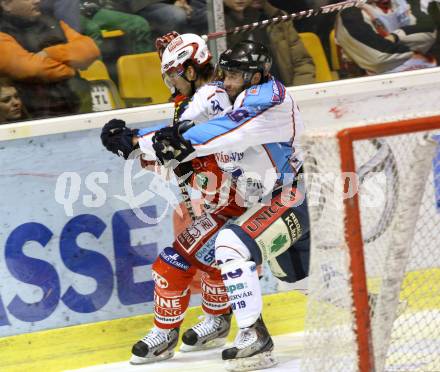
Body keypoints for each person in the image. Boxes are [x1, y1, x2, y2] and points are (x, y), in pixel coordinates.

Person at [102, 40, 311, 371]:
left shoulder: (269, 101)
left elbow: (223, 132)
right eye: (225, 73)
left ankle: (255, 337)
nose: (224, 81)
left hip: (286, 198)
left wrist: (177, 144)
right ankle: (218, 327)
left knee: (247, 253)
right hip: (248, 204)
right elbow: (187, 127)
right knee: (293, 277)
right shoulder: (226, 93)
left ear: (256, 77)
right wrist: (134, 141)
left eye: (234, 76)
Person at [101, 32, 237, 364]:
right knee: (210, 259)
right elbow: (177, 152)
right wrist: (135, 150)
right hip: (224, 203)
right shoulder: (194, 99)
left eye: (175, 74)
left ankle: (165, 334)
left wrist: (133, 141)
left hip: (240, 203)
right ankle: (218, 321)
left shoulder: (212, 96)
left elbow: (176, 139)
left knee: (172, 263)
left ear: (191, 71)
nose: (171, 84)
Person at [0, 0, 100, 118]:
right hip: (34, 114)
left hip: (77, 104)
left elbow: (90, 49)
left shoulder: (51, 21)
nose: (37, 1)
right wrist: (70, 68)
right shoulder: (2, 32)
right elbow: (31, 69)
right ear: (6, 5)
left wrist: (50, 53)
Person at [224, 0, 316, 86]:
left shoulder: (277, 19)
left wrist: (296, 94)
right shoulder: (216, 28)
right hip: (245, 98)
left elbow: (302, 64)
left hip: (285, 94)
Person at [335, 0, 437, 75]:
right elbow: (378, 57)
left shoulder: (406, 4)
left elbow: (430, 31)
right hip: (375, 82)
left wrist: (395, 37)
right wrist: (415, 53)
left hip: (425, 73)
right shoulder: (350, 13)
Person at [79, 0, 155, 53]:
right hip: (73, 11)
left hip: (94, 9)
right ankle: (95, 72)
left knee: (139, 24)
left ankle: (143, 68)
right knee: (92, 29)